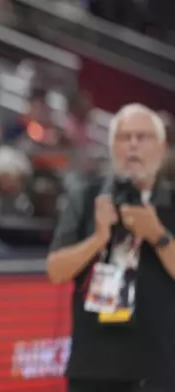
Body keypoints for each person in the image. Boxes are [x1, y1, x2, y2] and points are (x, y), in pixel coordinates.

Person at [47, 103, 175, 392]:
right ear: (111, 146)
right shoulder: (86, 198)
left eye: (142, 137)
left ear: (161, 146)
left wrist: (158, 235)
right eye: (124, 137)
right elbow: (55, 271)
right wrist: (98, 238)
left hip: (159, 366)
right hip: (94, 365)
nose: (133, 145)